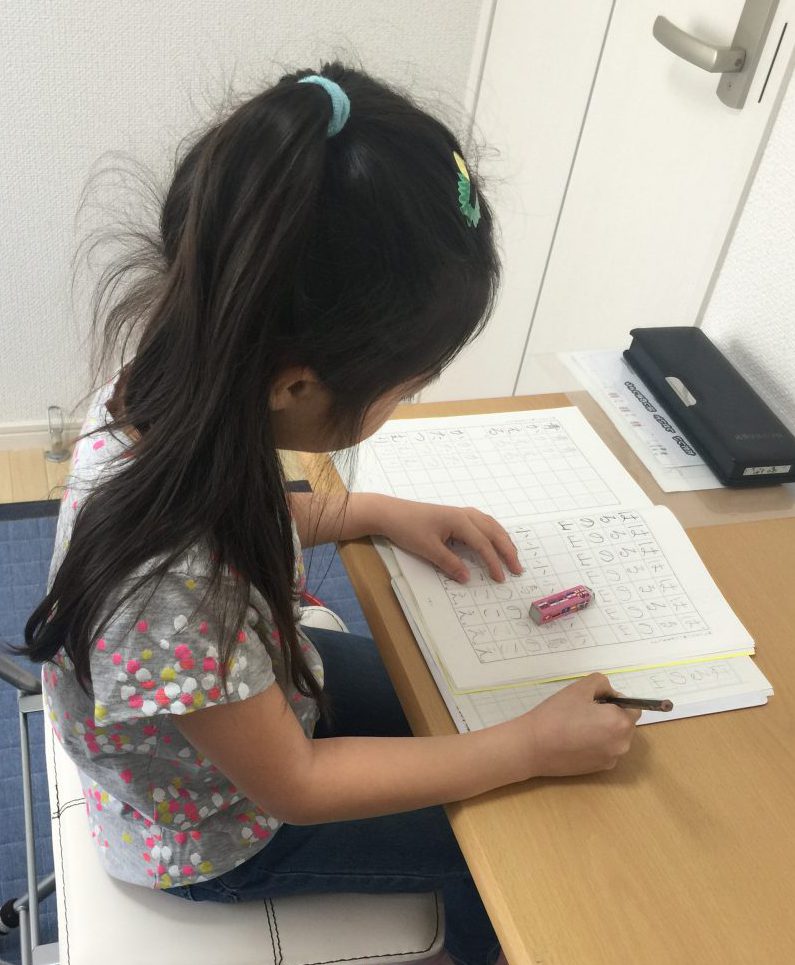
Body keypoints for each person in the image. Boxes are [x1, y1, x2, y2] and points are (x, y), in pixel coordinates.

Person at [19, 64, 639, 965]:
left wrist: (371, 511)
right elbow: (298, 785)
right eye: (407, 385)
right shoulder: (166, 587)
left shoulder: (173, 386)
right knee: (506, 836)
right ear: (296, 384)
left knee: (456, 701)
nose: (408, 397)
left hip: (259, 690)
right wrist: (528, 748)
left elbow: (236, 516)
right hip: (223, 829)